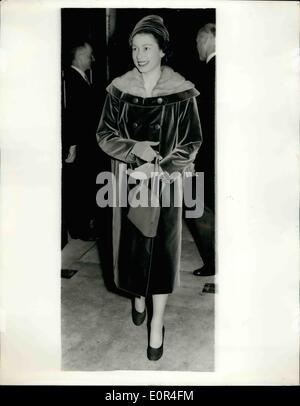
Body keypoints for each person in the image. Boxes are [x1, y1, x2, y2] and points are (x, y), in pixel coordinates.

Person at [96, 15, 202, 361]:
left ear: (161, 51)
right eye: (135, 48)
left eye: (147, 48)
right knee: (130, 255)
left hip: (167, 187)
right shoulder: (118, 89)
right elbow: (104, 136)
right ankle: (137, 295)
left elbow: (192, 141)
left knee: (163, 259)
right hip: (127, 185)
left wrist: (163, 167)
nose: (140, 55)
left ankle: (157, 325)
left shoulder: (182, 91)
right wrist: (135, 149)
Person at [62, 40, 99, 241]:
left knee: (84, 183)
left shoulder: (82, 77)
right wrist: (73, 145)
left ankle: (83, 224)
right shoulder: (70, 79)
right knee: (78, 186)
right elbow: (72, 116)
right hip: (79, 144)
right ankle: (79, 228)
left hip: (87, 143)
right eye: (89, 54)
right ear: (78, 56)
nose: (92, 58)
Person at [189, 23, 216, 278]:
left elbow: (202, 123)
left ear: (207, 38)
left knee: (198, 207)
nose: (197, 46)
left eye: (198, 41)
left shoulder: (209, 73)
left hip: (207, 156)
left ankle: (212, 262)